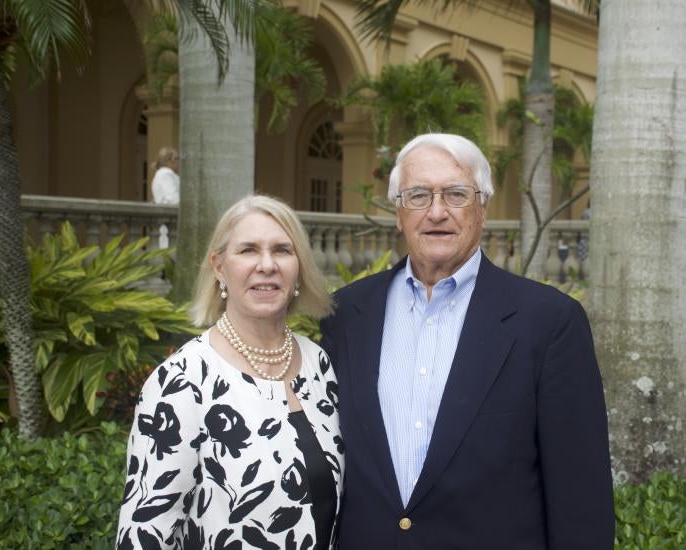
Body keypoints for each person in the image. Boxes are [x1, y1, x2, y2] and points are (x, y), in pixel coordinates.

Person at [320, 133, 614, 549]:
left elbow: (580, 497)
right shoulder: (345, 314)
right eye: (418, 195)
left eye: (456, 194)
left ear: (483, 208)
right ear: (398, 211)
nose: (436, 212)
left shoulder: (549, 322)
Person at [117, 195, 344, 549]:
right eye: (248, 250)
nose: (267, 265)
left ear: (298, 266)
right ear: (219, 266)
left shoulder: (319, 364)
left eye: (282, 250)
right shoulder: (182, 381)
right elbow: (145, 533)